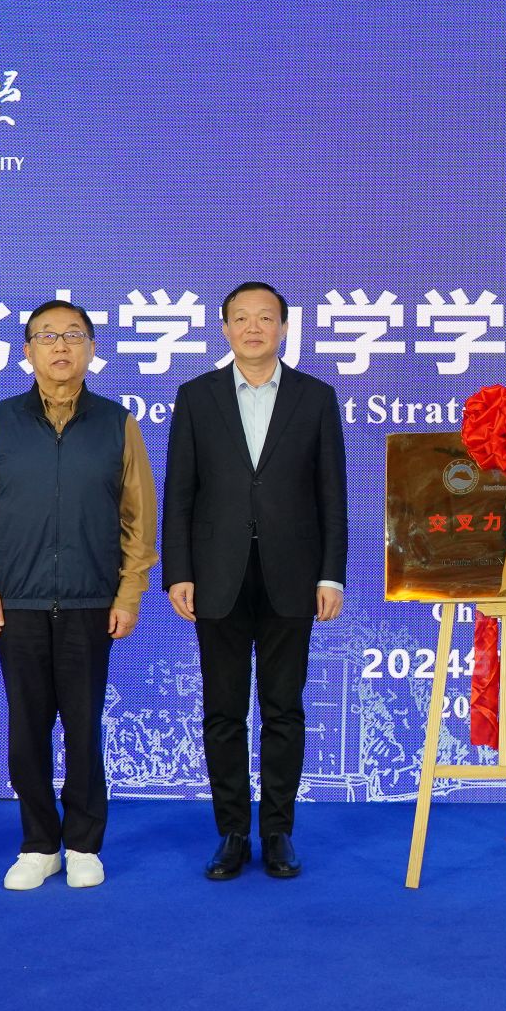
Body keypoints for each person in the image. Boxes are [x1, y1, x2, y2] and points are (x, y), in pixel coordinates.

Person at [0, 298, 156, 890]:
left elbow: (139, 519)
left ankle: (84, 844)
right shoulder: (0, 421)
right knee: (26, 731)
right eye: (47, 336)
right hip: (16, 602)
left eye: (73, 335)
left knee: (83, 727)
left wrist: (128, 594)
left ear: (92, 349)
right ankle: (38, 843)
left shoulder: (117, 423)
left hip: (90, 602)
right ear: (28, 352)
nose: (61, 346)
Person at [162, 281, 346, 882]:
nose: (253, 328)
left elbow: (332, 496)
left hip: (293, 575)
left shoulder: (315, 397)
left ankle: (277, 830)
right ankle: (232, 832)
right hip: (217, 575)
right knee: (223, 711)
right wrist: (179, 571)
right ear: (225, 328)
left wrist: (332, 575)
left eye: (265, 318)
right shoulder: (197, 396)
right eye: (241, 318)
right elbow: (180, 493)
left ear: (284, 328)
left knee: (283, 709)